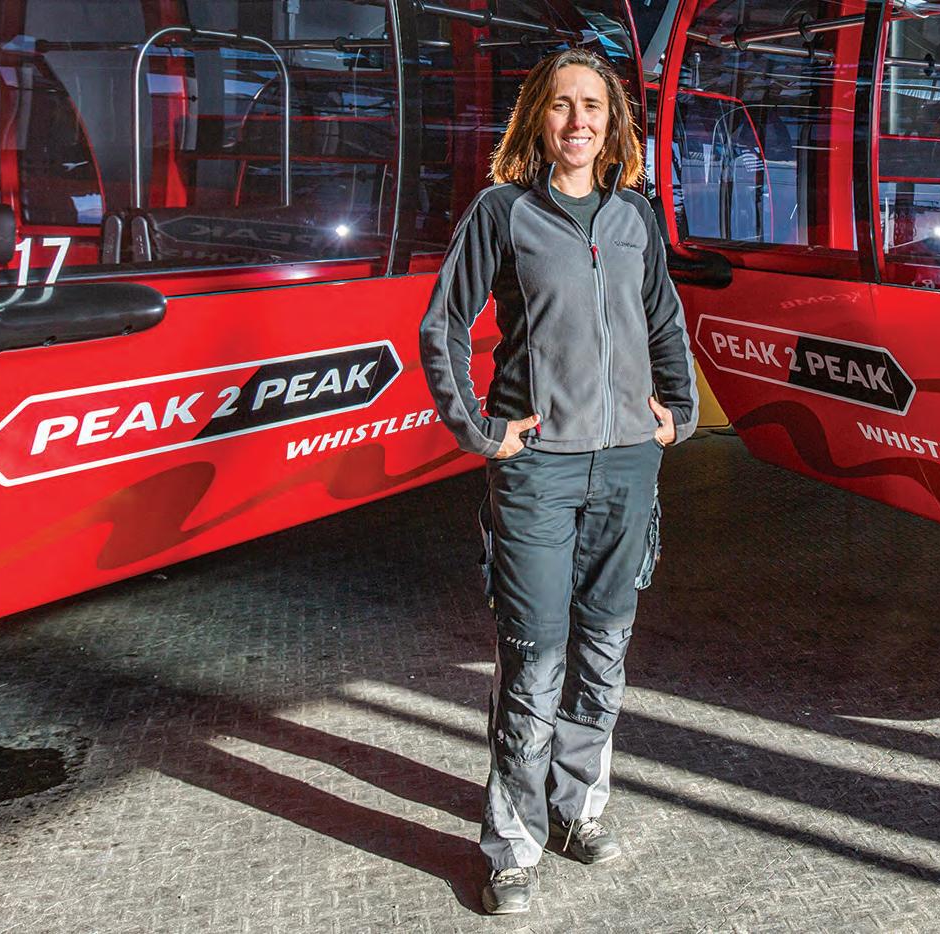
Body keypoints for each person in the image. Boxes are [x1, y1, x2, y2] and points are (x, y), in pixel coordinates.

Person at [418, 48, 698, 915]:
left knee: (604, 651)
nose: (577, 121)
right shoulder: (503, 212)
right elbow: (442, 325)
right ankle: (512, 845)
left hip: (627, 465)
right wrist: (481, 429)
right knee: (534, 657)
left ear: (613, 126)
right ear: (536, 119)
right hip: (537, 471)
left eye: (592, 107)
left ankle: (577, 811)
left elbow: (663, 320)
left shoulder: (635, 217)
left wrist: (679, 412)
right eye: (560, 105)